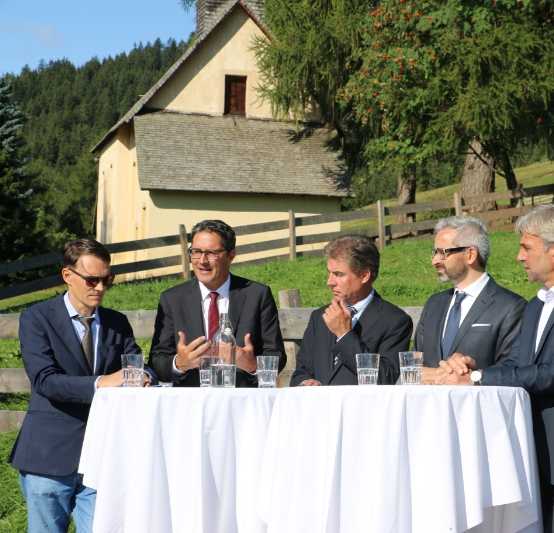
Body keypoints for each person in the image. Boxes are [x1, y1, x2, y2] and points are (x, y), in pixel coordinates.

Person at [438, 204, 554, 533]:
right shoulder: (539, 303)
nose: (519, 256)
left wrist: (479, 379)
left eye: (526, 247)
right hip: (537, 451)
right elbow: (518, 364)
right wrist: (473, 368)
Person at [10, 238, 155, 533]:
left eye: (106, 280)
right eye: (91, 280)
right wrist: (103, 382)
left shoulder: (117, 322)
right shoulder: (36, 318)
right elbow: (45, 381)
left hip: (104, 456)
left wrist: (145, 377)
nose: (100, 287)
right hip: (49, 457)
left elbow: (138, 364)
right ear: (68, 275)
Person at [149, 220, 286, 387]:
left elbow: (276, 355)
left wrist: (252, 365)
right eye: (196, 252)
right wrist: (179, 363)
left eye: (211, 253)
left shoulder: (257, 295)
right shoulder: (173, 299)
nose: (202, 261)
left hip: (241, 397)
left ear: (230, 256)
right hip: (192, 398)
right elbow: (157, 360)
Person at [414, 216, 526, 384]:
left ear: (471, 254)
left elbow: (512, 369)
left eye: (442, 252)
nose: (434, 261)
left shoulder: (511, 306)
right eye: (435, 253)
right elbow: (415, 364)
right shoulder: (434, 304)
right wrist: (439, 375)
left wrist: (471, 376)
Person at [290, 234, 413, 386]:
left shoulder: (395, 321)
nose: (329, 282)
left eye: (338, 274)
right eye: (329, 273)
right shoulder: (320, 316)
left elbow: (384, 378)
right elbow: (301, 371)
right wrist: (306, 382)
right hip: (319, 402)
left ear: (364, 275)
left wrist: (344, 335)